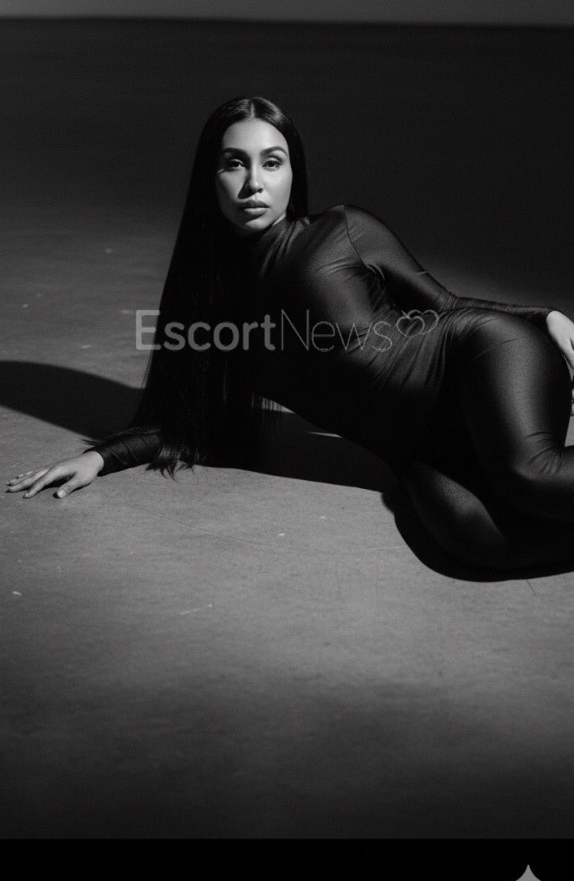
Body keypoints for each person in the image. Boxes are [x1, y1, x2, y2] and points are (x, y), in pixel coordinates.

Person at [7, 96, 574, 574]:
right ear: (210, 177)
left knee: (530, 478)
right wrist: (101, 459)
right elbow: (194, 418)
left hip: (482, 359)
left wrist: (543, 317)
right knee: (473, 541)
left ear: (292, 173)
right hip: (419, 448)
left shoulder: (342, 230)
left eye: (272, 163)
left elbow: (445, 306)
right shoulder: (212, 311)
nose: (254, 183)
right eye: (235, 164)